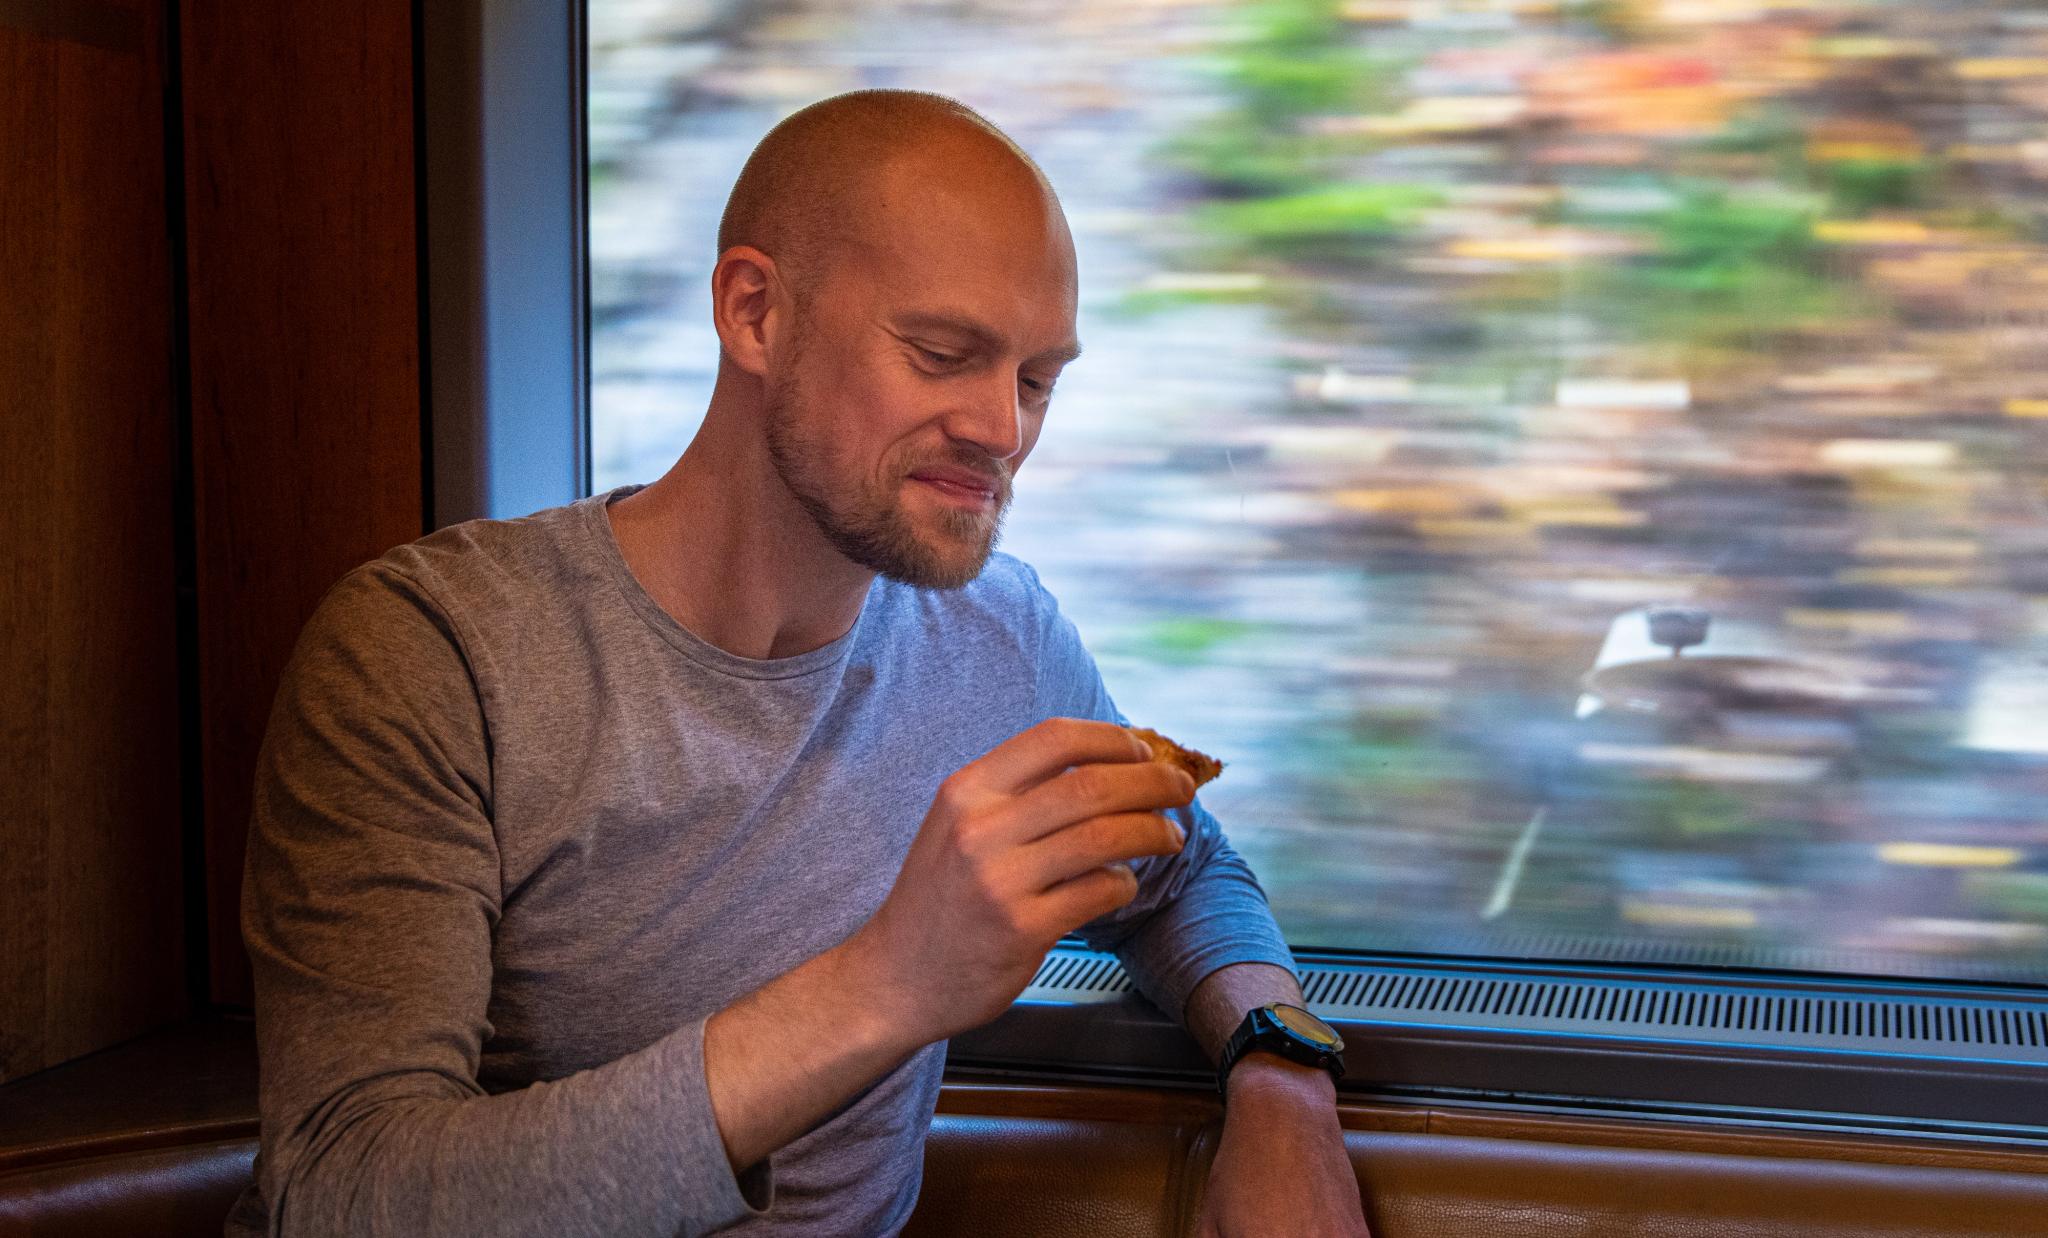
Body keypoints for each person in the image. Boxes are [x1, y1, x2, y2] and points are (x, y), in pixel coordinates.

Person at [226, 89, 1371, 1237]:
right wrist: (884, 982)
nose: (1001, 428)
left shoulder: (998, 637)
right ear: (754, 313)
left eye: (1034, 379)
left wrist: (1279, 1083)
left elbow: (1183, 874)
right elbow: (342, 1190)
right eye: (940, 353)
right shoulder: (434, 656)